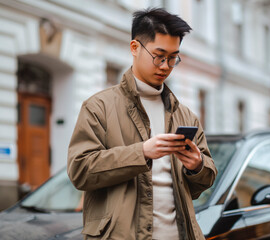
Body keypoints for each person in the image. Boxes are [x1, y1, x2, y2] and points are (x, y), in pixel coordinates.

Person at [67, 8, 217, 240]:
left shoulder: (186, 116)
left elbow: (201, 186)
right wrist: (141, 152)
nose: (166, 65)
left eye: (173, 57)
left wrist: (197, 166)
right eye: (159, 56)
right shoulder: (98, 107)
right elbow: (80, 170)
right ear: (135, 48)